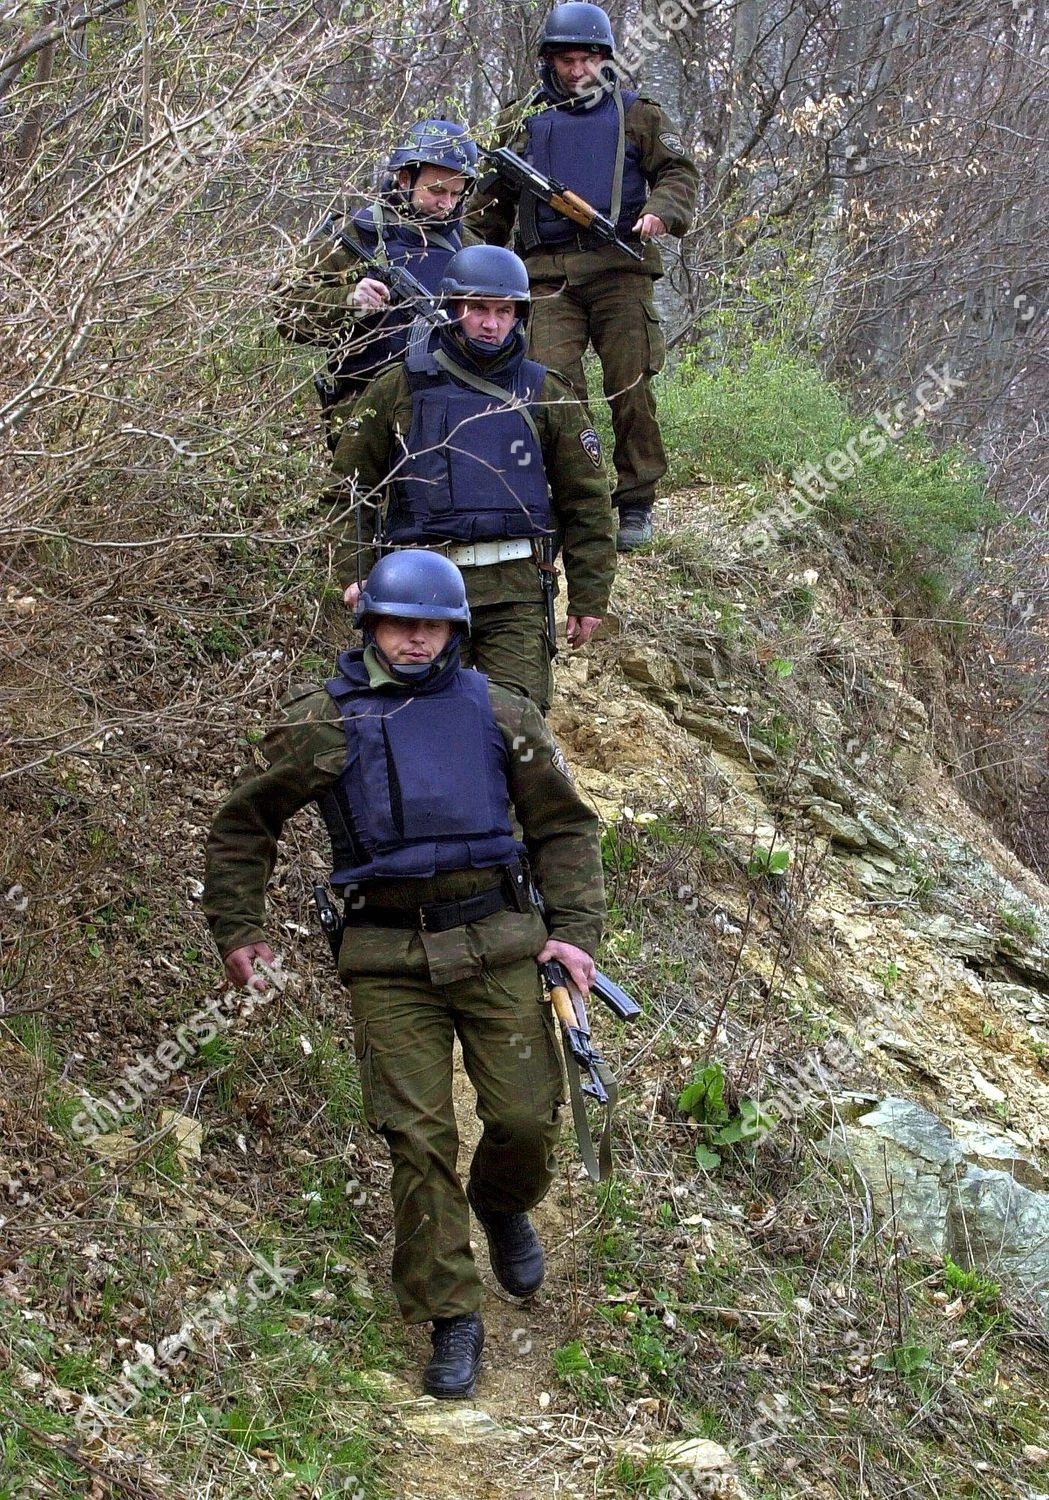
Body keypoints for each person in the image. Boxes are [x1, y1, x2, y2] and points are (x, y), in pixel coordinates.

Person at [203, 550, 606, 1401]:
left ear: (455, 631)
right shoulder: (323, 721)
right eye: (399, 623)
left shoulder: (501, 711)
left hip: (498, 942)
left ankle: (501, 1205)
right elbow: (245, 825)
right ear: (371, 626)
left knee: (525, 1120)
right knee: (417, 1140)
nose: (415, 638)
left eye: (432, 625)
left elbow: (564, 830)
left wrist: (573, 936)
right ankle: (450, 1313)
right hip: (387, 959)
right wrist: (238, 931)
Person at [325, 243, 615, 713]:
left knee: (517, 727)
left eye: (504, 311)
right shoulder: (401, 386)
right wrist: (354, 573)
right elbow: (350, 489)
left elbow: (586, 500)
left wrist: (589, 595)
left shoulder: (545, 392)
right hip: (419, 594)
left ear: (519, 315)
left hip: (515, 590)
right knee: (419, 723)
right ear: (453, 308)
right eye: (478, 308)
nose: (490, 323)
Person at [467, 2, 699, 551]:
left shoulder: (636, 113)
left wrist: (661, 212)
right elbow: (490, 204)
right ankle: (573, 499)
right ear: (549, 60)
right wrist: (474, 266)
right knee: (551, 393)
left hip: (620, 268)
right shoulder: (521, 120)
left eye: (587, 60)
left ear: (605, 59)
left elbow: (678, 172)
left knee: (631, 386)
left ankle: (636, 501)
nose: (576, 71)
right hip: (544, 276)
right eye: (566, 60)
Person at [275, 118, 478, 451]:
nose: (447, 204)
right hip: (365, 405)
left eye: (457, 194)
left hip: (453, 406)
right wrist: (348, 300)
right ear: (403, 179)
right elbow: (286, 309)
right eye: (437, 190)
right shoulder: (352, 235)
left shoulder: (469, 247)